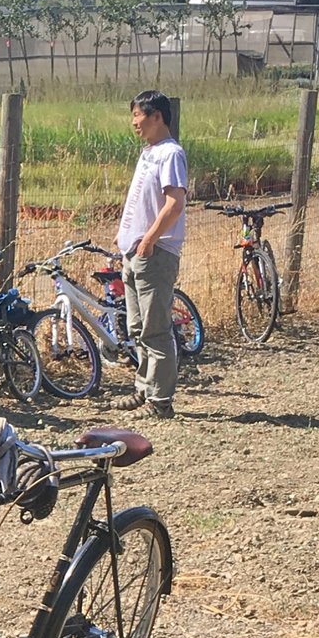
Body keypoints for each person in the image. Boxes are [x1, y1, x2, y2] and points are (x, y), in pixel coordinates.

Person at [110, 90, 187, 420]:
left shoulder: (171, 154)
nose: (134, 122)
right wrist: (126, 237)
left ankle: (161, 401)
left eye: (139, 116)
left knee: (155, 329)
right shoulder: (149, 153)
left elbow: (174, 203)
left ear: (158, 117)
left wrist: (149, 240)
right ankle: (144, 388)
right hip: (135, 251)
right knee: (138, 327)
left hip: (154, 253)